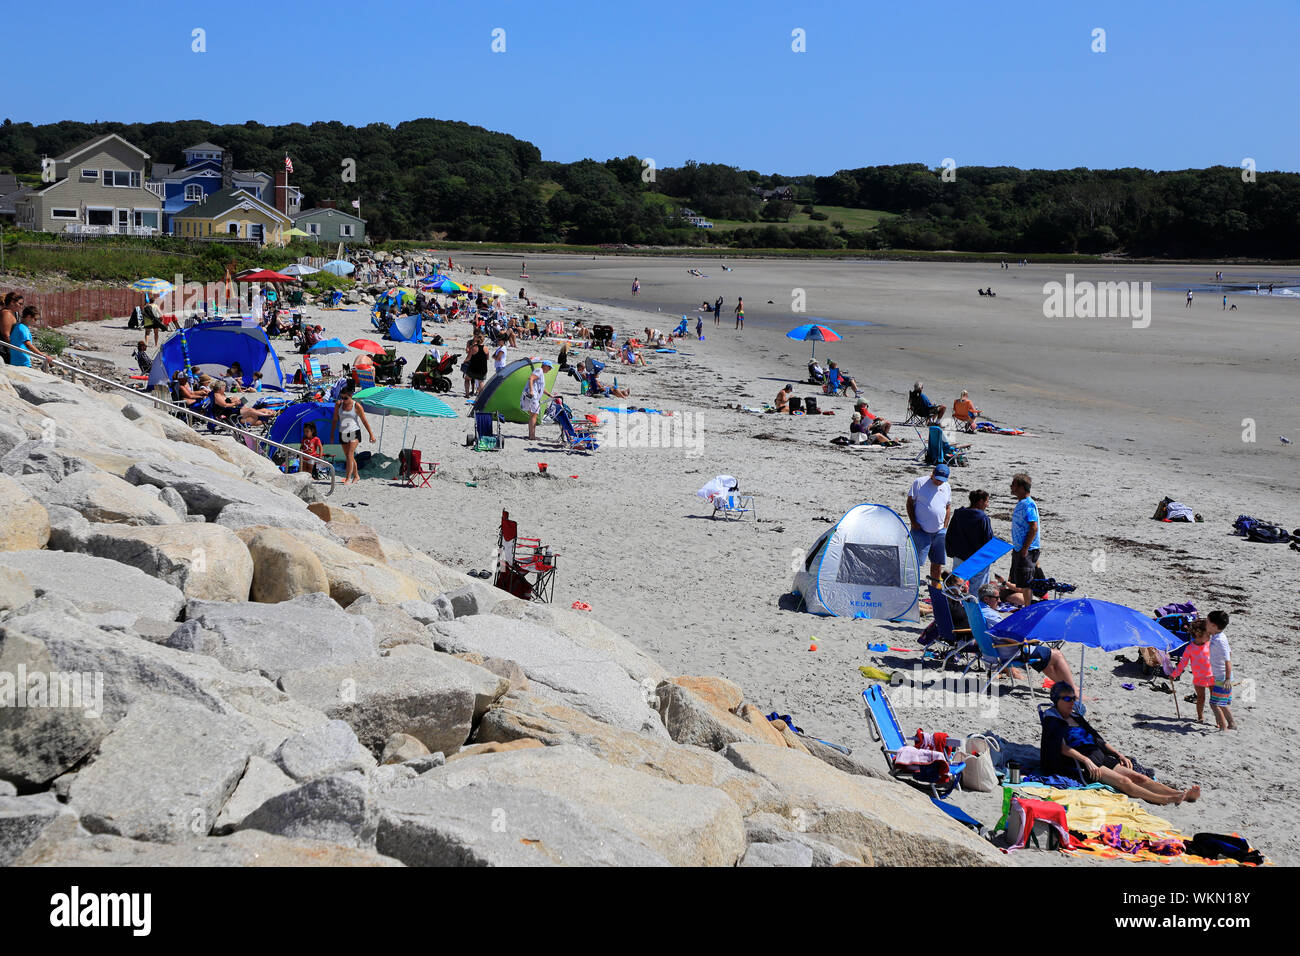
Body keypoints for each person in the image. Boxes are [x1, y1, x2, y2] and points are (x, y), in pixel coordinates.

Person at [1040, 682, 1200, 805]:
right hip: (1079, 764)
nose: (1071, 702)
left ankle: (1179, 794)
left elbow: (1098, 739)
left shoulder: (1076, 717)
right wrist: (1086, 760)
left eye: (1073, 698)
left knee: (1139, 777)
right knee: (1124, 781)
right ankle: (1165, 799)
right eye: (1066, 699)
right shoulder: (1052, 719)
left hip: (1099, 756)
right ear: (1056, 700)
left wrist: (1118, 754)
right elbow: (1060, 746)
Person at [976, 584, 1076, 686]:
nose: (1000, 601)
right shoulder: (991, 615)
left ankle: (1065, 686)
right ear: (986, 599)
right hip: (1009, 652)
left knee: (1043, 659)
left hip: (990, 652)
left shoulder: (978, 611)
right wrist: (1026, 640)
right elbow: (1008, 637)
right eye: (997, 598)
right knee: (1056, 655)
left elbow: (1001, 633)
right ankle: (1073, 689)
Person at [907, 464, 951, 586]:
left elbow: (947, 507)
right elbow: (910, 502)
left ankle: (935, 588)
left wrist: (945, 526)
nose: (939, 482)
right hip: (920, 530)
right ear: (932, 473)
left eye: (942, 480)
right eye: (937, 479)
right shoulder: (919, 483)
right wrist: (914, 522)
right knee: (915, 562)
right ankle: (910, 586)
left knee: (937, 564)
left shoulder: (946, 487)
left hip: (939, 532)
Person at [1166, 619, 1214, 723]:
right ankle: (1200, 717)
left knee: (1215, 700)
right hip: (1199, 677)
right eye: (1208, 634)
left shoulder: (1210, 644)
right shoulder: (1190, 648)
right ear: (1198, 634)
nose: (1210, 636)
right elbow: (1182, 663)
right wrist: (1174, 674)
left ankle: (1219, 719)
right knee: (1201, 698)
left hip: (1212, 676)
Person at [947, 489, 993, 591]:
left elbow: (950, 534)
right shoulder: (983, 518)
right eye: (986, 502)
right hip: (977, 559)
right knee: (977, 590)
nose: (987, 505)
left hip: (959, 556)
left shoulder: (958, 514)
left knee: (957, 587)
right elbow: (988, 540)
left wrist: (950, 552)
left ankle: (955, 605)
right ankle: (973, 606)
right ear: (980, 501)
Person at [1009, 472, 1041, 605]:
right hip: (1020, 548)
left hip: (1026, 549)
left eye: (1014, 485)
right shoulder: (1022, 503)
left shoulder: (1028, 504)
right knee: (1021, 580)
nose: (1011, 487)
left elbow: (1034, 527)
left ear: (1022, 487)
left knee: (1027, 582)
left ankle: (1027, 608)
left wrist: (1025, 549)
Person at [332, 387, 375, 485]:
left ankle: (348, 478)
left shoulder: (357, 406)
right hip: (343, 432)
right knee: (349, 456)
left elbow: (364, 421)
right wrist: (331, 434)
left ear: (351, 396)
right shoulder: (338, 405)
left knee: (349, 455)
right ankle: (356, 476)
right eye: (341, 397)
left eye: (346, 398)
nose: (343, 400)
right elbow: (335, 420)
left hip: (354, 431)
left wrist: (371, 434)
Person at [1206, 609, 1236, 730]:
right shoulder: (1216, 636)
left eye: (1207, 622)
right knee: (1222, 704)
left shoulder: (1220, 640)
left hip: (1223, 678)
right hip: (1220, 676)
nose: (1205, 623)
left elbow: (1228, 660)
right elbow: (1230, 652)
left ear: (1213, 625)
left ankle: (1223, 728)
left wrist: (1228, 678)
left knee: (1214, 704)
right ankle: (1232, 724)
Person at [521, 360, 552, 440]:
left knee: (533, 415)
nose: (550, 369)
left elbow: (541, 388)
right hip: (532, 396)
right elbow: (530, 378)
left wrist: (549, 395)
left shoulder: (541, 373)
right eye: (549, 367)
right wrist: (531, 391)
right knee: (534, 415)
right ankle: (532, 436)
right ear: (545, 366)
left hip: (534, 396)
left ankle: (531, 435)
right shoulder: (539, 370)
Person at [1, 291, 24, 364]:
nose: (21, 306)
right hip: (3, 349)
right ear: (12, 302)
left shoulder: (12, 313)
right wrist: (16, 349)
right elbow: (6, 334)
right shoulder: (6, 314)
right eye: (20, 304)